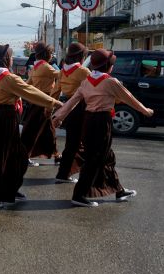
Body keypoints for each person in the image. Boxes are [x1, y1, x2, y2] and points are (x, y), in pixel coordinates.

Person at [52, 49, 153, 207]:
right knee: (95, 158)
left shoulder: (86, 82)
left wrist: (58, 117)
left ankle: (118, 190)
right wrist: (145, 111)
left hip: (88, 120)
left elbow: (72, 102)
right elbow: (129, 98)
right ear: (108, 66)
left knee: (107, 156)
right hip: (101, 121)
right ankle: (79, 195)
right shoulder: (110, 82)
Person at [0, 45, 62, 209]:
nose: (11, 59)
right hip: (6, 118)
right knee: (4, 157)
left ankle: (8, 191)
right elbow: (30, 91)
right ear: (6, 59)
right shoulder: (8, 78)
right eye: (9, 56)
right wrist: (55, 102)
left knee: (10, 157)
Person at [50, 43, 90, 183]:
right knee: (81, 143)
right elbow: (92, 91)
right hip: (81, 107)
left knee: (72, 142)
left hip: (68, 106)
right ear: (81, 56)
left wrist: (52, 108)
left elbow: (55, 91)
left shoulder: (62, 71)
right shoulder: (83, 71)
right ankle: (68, 174)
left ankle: (64, 173)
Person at [21, 43, 60, 166]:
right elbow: (63, 76)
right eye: (51, 54)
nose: (52, 56)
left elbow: (28, 84)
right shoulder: (46, 67)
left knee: (48, 131)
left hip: (36, 101)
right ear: (46, 54)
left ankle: (56, 154)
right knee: (31, 131)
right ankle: (24, 156)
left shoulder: (35, 68)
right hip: (43, 102)